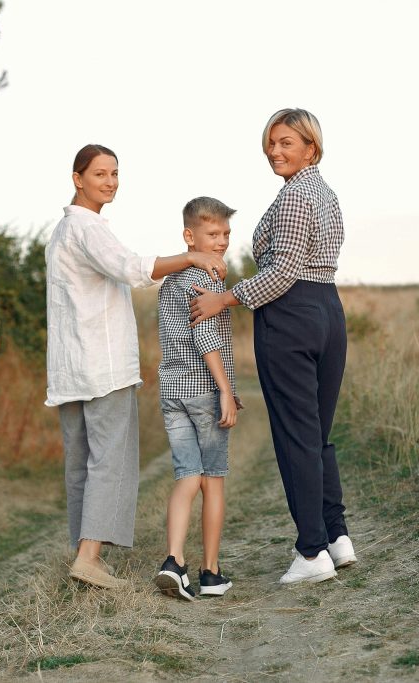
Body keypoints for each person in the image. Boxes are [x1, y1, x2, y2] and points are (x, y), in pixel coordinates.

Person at [45, 144, 227, 590]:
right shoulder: (87, 229)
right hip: (101, 365)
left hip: (70, 368)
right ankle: (89, 557)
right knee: (109, 459)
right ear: (77, 179)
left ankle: (86, 556)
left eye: (114, 173)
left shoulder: (62, 232)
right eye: (100, 174)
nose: (109, 181)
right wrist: (191, 257)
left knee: (82, 462)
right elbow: (132, 269)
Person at [189, 108, 357, 585]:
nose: (275, 151)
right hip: (328, 310)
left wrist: (227, 296)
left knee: (296, 437)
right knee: (317, 433)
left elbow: (281, 272)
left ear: (311, 147)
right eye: (270, 143)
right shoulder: (327, 194)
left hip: (292, 316)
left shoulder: (296, 197)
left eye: (286, 142)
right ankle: (336, 538)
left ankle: (311, 553)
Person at [154, 197, 241, 601]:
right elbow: (205, 337)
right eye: (212, 234)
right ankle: (210, 572)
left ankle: (173, 561)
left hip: (172, 392)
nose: (221, 241)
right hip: (204, 392)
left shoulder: (170, 281)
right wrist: (226, 390)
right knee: (214, 480)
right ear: (190, 236)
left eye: (225, 234)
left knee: (187, 476)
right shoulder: (206, 280)